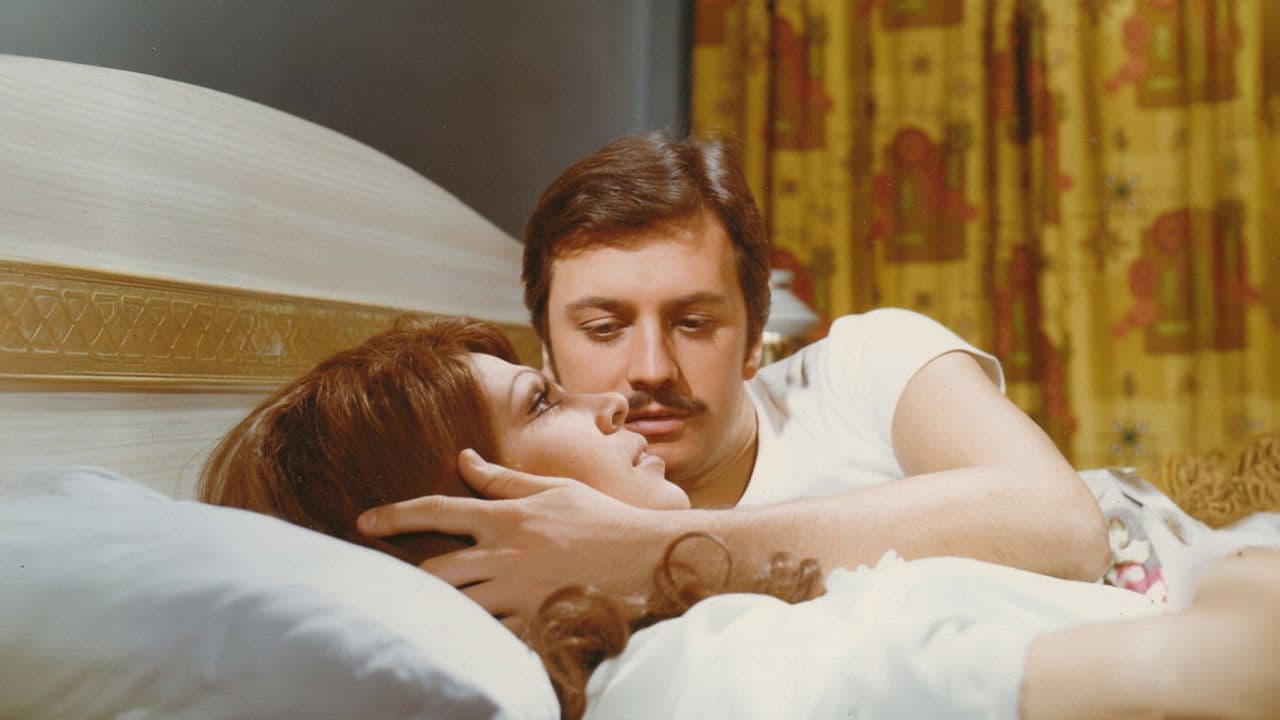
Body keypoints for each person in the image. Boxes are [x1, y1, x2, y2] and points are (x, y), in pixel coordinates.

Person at [200, 317, 1280, 720]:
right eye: (543, 397)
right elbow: (1227, 676)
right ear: (468, 523)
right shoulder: (723, 674)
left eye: (698, 319)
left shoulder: (712, 619)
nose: (620, 393)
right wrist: (1241, 576)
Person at [357, 131, 1113, 625]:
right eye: (604, 328)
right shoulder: (525, 533)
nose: (651, 369)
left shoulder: (865, 363)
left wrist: (652, 548)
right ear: (547, 357)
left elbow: (1068, 528)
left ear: (754, 340)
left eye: (693, 322)